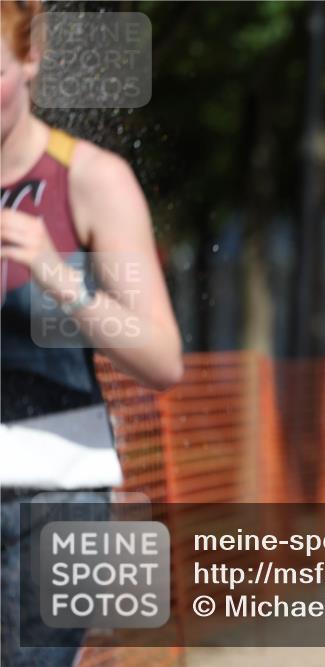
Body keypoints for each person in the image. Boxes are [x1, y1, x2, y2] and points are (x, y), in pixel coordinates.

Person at [1, 3, 183, 665]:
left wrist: (59, 278)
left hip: (58, 496)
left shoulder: (88, 179)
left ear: (30, 60)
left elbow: (162, 359)